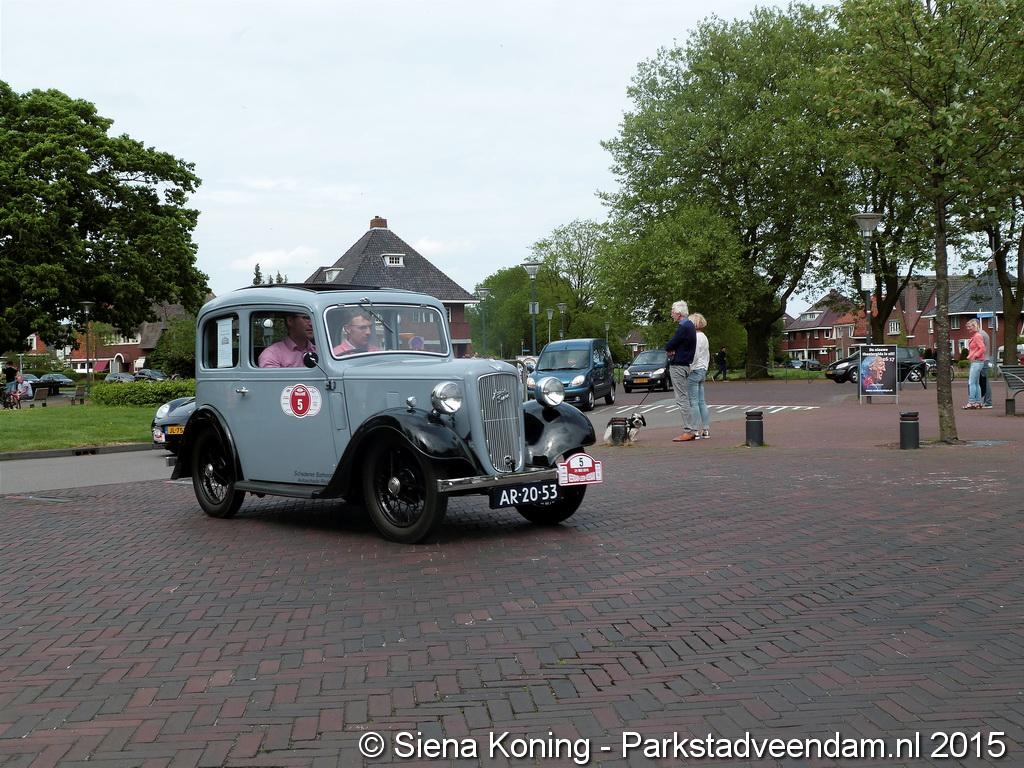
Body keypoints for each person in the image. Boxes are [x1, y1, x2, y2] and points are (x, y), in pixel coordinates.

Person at [665, 299, 697, 442]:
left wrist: (671, 349)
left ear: (678, 313)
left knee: (681, 398)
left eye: (672, 311)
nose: (671, 314)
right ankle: (691, 429)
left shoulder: (683, 327)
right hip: (685, 364)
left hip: (678, 365)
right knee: (685, 397)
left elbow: (671, 344)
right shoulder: (690, 326)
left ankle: (689, 430)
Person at [689, 313, 711, 439]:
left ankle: (695, 429)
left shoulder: (695, 337)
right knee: (702, 401)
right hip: (702, 370)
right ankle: (706, 429)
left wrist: (689, 367)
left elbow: (695, 355)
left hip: (695, 370)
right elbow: (706, 355)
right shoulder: (704, 337)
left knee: (694, 402)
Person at [964, 319, 986, 409]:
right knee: (976, 383)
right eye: (967, 327)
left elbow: (983, 348)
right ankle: (978, 402)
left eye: (969, 326)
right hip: (978, 362)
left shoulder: (977, 336)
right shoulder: (976, 336)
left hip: (976, 362)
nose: (968, 328)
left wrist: (974, 356)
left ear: (974, 326)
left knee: (971, 382)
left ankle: (971, 402)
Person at [978, 323, 993, 408]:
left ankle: (988, 402)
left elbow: (980, 348)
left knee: (985, 382)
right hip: (985, 359)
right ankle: (987, 401)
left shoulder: (980, 334)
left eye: (970, 326)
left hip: (982, 360)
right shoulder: (984, 333)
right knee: (984, 381)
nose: (968, 329)